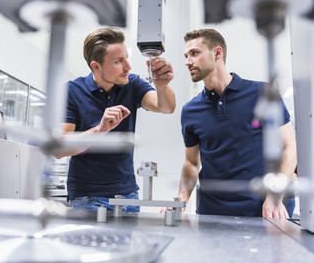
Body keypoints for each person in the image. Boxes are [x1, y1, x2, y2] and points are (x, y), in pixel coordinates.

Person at [175, 28, 297, 218]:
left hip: (265, 210)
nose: (187, 61)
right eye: (186, 55)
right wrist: (179, 202)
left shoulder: (262, 93)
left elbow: (289, 148)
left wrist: (274, 197)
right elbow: (191, 163)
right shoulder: (190, 110)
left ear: (217, 53)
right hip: (212, 213)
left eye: (194, 53)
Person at [55, 27, 175, 212]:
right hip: (88, 198)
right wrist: (100, 129)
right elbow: (60, 149)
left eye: (126, 58)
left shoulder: (132, 84)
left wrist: (162, 85)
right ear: (96, 66)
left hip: (128, 195)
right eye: (119, 61)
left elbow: (165, 107)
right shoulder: (71, 91)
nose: (128, 66)